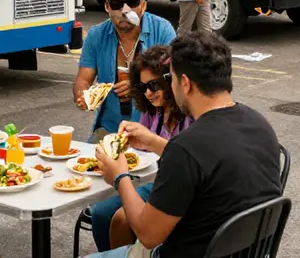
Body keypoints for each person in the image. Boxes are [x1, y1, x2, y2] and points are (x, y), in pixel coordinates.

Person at [90, 32, 282, 258]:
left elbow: (148, 234)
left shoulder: (187, 147)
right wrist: (153, 142)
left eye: (170, 79)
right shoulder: (260, 124)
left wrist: (120, 176)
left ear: (185, 83)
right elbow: (204, 163)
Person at [89, 45, 194, 253]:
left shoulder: (190, 113)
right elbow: (145, 151)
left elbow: (185, 158)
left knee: (121, 218)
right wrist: (134, 143)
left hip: (172, 185)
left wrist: (150, 140)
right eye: (142, 87)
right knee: (100, 213)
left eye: (154, 85)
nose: (148, 93)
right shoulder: (152, 111)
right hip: (150, 179)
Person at [73, 0, 176, 141]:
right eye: (116, 4)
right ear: (107, 7)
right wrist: (82, 95)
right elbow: (83, 79)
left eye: (132, 2)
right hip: (110, 130)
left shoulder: (162, 30)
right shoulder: (97, 35)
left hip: (153, 131)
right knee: (86, 163)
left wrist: (138, 87)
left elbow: (174, 79)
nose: (125, 10)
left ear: (143, 5)